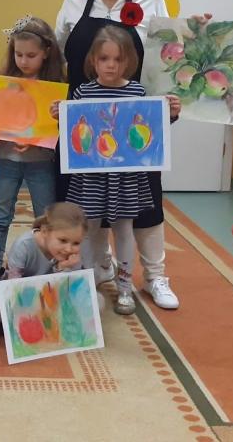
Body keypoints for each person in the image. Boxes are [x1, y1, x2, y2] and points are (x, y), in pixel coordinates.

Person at [55, 0, 178, 310]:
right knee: (87, 206)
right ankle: (101, 267)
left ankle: (155, 277)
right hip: (84, 126)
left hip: (135, 124)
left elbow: (168, 57)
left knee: (144, 205)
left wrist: (169, 106)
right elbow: (57, 56)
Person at [50, 26, 181, 315]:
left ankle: (125, 288)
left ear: (129, 61)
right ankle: (86, 283)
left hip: (126, 179)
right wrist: (60, 116)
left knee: (124, 230)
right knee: (88, 230)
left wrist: (169, 114)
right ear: (93, 60)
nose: (111, 65)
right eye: (104, 58)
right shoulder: (83, 92)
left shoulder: (137, 92)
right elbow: (76, 133)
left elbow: (147, 131)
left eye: (118, 59)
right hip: (90, 178)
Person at [0, 16, 66, 288]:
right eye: (18, 54)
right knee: (0, 212)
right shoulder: (4, 80)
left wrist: (42, 133)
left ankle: (46, 264)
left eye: (31, 55)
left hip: (41, 161)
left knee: (45, 215)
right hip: (7, 159)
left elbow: (61, 128)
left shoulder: (55, 85)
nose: (23, 61)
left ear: (46, 52)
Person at [0, 202, 105, 321]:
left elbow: (73, 289)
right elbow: (13, 287)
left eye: (76, 243)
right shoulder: (23, 245)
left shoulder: (74, 252)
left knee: (98, 300)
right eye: (63, 240)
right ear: (45, 231)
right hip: (26, 299)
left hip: (57, 300)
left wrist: (63, 268)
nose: (68, 249)